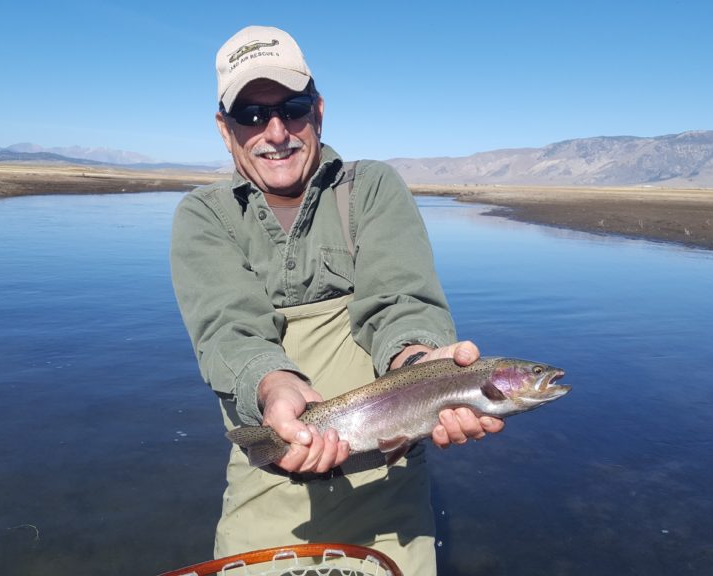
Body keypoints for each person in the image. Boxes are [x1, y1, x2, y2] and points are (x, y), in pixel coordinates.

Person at [169, 25, 504, 575]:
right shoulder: (205, 216)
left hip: (389, 483)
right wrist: (275, 385)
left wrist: (423, 365)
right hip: (269, 473)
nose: (276, 131)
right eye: (251, 115)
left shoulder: (371, 188)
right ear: (224, 130)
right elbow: (228, 327)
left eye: (293, 107)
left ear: (319, 110)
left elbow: (400, 301)